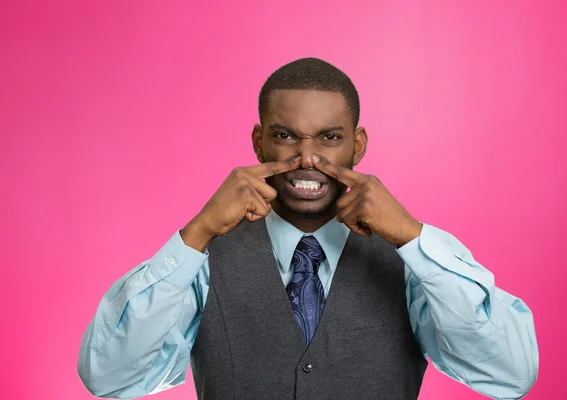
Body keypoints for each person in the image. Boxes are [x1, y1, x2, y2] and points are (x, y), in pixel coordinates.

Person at [77, 58, 538, 400]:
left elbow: (510, 374)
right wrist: (195, 234)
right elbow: (109, 376)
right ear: (259, 142)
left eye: (330, 138)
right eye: (286, 136)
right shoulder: (205, 258)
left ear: (357, 145)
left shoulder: (409, 261)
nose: (308, 157)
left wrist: (415, 239)